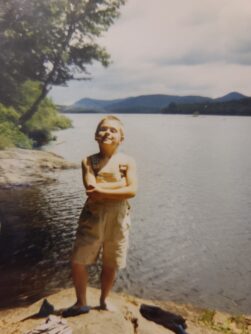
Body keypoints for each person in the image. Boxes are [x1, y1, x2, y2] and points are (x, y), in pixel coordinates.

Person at [63, 115, 137, 317]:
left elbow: (132, 191)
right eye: (103, 129)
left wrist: (106, 190)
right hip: (92, 218)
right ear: (96, 135)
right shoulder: (89, 161)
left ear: (121, 138)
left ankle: (104, 300)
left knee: (111, 262)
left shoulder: (127, 161)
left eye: (114, 130)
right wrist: (120, 185)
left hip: (119, 220)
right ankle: (81, 302)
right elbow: (91, 188)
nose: (108, 133)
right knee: (79, 260)